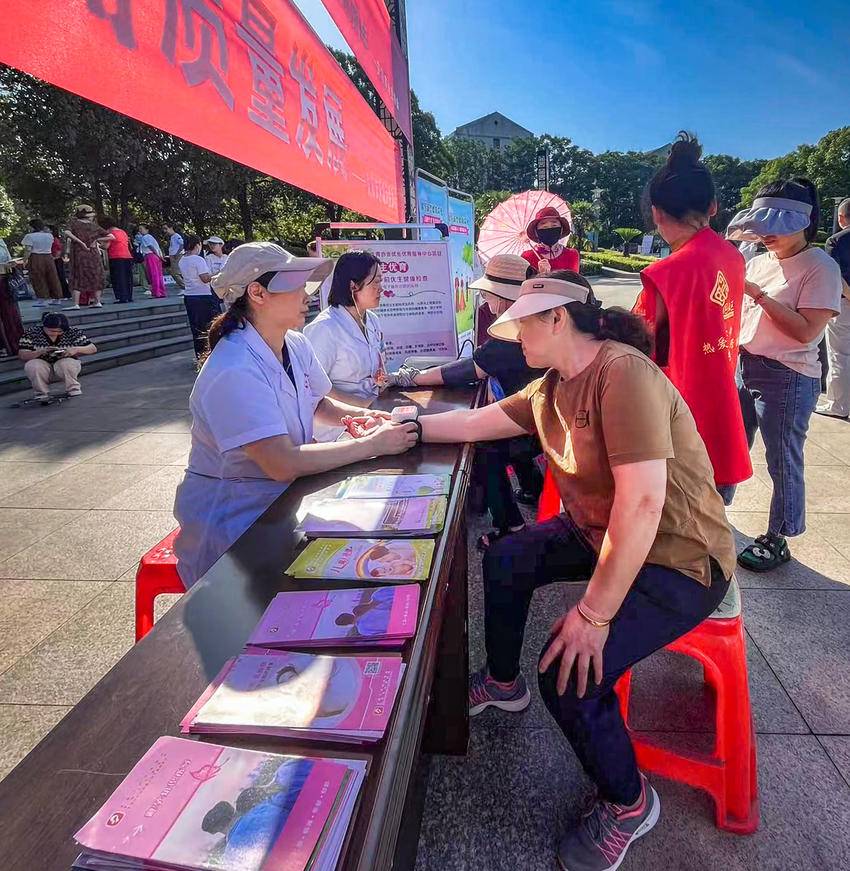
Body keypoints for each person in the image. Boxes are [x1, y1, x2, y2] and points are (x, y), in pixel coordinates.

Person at [413, 271, 735, 871]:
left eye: (522, 323)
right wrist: (402, 430)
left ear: (557, 317)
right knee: (507, 557)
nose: (513, 337)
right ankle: (504, 685)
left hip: (677, 558)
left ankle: (629, 801)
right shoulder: (549, 388)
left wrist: (593, 613)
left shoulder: (623, 374)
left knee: (567, 670)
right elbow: (475, 425)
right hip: (600, 533)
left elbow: (642, 505)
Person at [172, 242, 418, 589]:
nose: (306, 294)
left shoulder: (295, 343)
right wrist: (373, 445)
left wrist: (357, 419)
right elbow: (281, 462)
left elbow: (317, 402)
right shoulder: (234, 368)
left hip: (280, 501)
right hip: (237, 523)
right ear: (257, 292)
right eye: (295, 285)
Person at [726, 178, 842, 571]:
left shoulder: (821, 266)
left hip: (789, 375)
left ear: (805, 222)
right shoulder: (759, 260)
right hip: (745, 365)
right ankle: (712, 510)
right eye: (764, 225)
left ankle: (780, 535)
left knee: (782, 460)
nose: (768, 234)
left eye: (779, 226)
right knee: (730, 442)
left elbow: (808, 331)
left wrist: (757, 294)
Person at [633, 133, 751, 498]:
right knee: (714, 524)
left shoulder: (668, 272)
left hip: (681, 419)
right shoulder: (733, 257)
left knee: (684, 534)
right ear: (714, 206)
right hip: (724, 406)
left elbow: (640, 343)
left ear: (655, 212)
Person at [400, 254, 546, 548]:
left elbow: (470, 368)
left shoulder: (514, 332)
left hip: (535, 421)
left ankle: (511, 526)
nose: (483, 298)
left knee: (485, 450)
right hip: (538, 414)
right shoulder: (529, 320)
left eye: (486, 292)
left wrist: (412, 379)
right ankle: (533, 489)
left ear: (501, 295)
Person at [303, 251, 388, 438]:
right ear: (353, 286)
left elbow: (379, 361)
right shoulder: (325, 328)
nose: (381, 288)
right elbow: (313, 388)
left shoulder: (372, 320)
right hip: (337, 429)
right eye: (375, 282)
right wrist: (362, 405)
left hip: (373, 413)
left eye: (381, 281)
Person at [816, 197, 850, 418]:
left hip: (844, 303)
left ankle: (838, 405)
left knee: (840, 354)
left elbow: (834, 275)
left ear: (841, 217)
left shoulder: (837, 241)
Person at [18, 311, 97, 402]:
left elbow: (92, 348)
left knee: (66, 364)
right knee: (33, 365)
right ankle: (41, 392)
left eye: (59, 331)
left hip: (65, 362)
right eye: (52, 331)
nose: (55, 333)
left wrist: (76, 349)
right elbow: (22, 354)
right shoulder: (32, 333)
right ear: (44, 326)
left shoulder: (72, 331)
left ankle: (73, 388)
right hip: (42, 362)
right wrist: (40, 352)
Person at [179, 234, 221, 358]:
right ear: (197, 245)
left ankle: (200, 356)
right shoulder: (198, 259)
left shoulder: (182, 260)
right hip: (203, 297)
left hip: (189, 296)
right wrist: (219, 274)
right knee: (209, 327)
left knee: (196, 328)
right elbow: (205, 278)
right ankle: (211, 355)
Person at [65, 205, 111, 309]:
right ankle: (97, 301)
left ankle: (76, 303)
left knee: (77, 275)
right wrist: (96, 240)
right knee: (96, 275)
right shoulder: (94, 226)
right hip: (93, 253)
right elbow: (111, 236)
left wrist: (80, 242)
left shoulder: (74, 223)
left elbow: (67, 232)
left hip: (79, 253)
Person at [521, 206, 580, 275]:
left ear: (561, 230)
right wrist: (539, 275)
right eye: (544, 227)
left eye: (554, 226)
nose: (549, 230)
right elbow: (524, 284)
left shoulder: (572, 254)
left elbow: (574, 282)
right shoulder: (527, 257)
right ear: (536, 232)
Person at [22, 219, 63, 307]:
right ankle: (57, 298)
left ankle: (42, 298)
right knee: (52, 277)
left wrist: (24, 260)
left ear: (32, 226)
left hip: (36, 256)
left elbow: (28, 249)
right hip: (48, 256)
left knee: (38, 277)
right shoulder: (49, 235)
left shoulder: (29, 236)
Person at [99, 216, 134, 303]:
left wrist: (98, 244)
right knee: (127, 277)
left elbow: (106, 246)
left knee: (118, 277)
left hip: (116, 257)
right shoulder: (122, 232)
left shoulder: (110, 233)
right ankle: (129, 296)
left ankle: (121, 297)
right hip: (127, 256)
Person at [0, 238, 24, 357]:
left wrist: (11, 264)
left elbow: (7, 258)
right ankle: (3, 346)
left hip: (5, 281)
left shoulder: (1, 241)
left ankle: (15, 344)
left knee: (11, 314)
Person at [135, 224, 166, 298]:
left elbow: (150, 246)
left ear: (147, 230)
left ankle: (156, 292)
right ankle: (161, 291)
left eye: (141, 229)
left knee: (153, 274)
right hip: (155, 256)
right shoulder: (151, 237)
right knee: (158, 274)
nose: (140, 230)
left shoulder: (145, 237)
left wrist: (156, 254)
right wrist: (159, 256)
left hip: (150, 256)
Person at [49, 225, 70, 299]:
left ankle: (65, 293)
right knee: (58, 276)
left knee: (60, 276)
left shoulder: (55, 239)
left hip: (56, 259)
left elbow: (59, 249)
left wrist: (55, 257)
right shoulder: (52, 239)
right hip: (55, 258)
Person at [164, 223, 185, 289]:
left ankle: (184, 287)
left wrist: (177, 253)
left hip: (176, 255)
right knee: (175, 272)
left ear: (171, 228)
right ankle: (184, 286)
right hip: (172, 255)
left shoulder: (176, 236)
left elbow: (182, 244)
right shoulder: (172, 237)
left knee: (175, 273)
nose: (165, 231)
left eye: (166, 228)